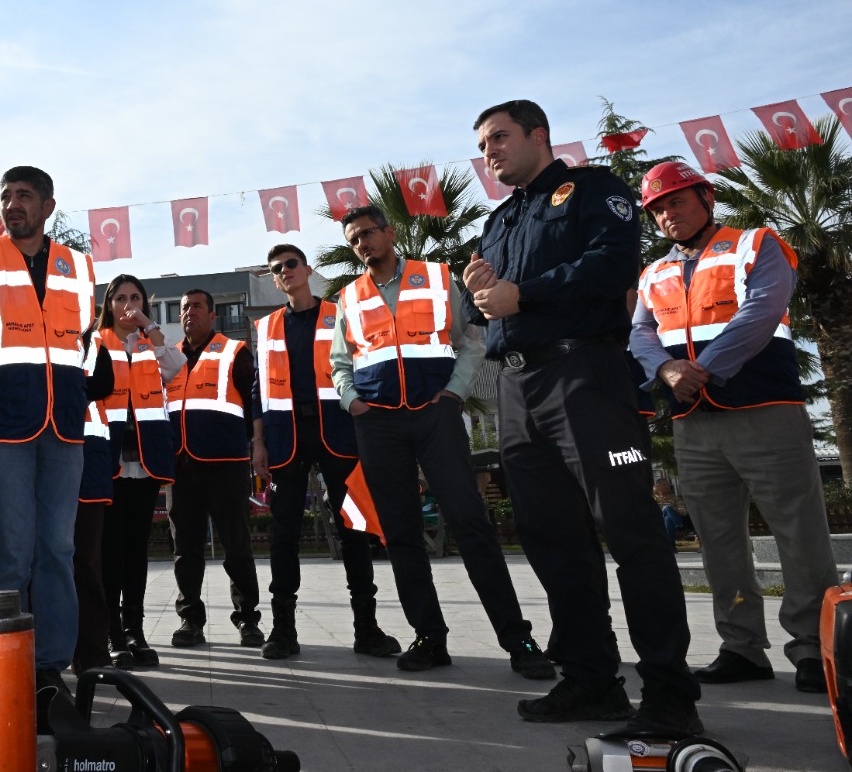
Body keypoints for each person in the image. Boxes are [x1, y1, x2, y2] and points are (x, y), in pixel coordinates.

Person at [464, 99, 700, 736]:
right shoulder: (499, 221)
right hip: (518, 387)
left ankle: (670, 695)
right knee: (552, 539)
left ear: (538, 135)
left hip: (584, 378)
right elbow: (500, 300)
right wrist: (483, 288)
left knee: (630, 532)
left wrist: (525, 293)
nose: (488, 152)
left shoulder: (594, 190)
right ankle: (590, 679)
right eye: (482, 144)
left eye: (498, 138)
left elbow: (614, 264)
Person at [632, 159, 837, 694]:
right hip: (693, 422)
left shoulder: (757, 244)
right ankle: (741, 647)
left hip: (764, 408)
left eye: (676, 201)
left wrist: (703, 370)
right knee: (719, 540)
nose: (667, 215)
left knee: (800, 532)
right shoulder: (652, 273)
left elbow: (763, 312)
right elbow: (640, 335)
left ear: (706, 199)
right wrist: (667, 369)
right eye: (656, 209)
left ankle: (815, 650)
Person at [330, 205, 553, 678]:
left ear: (390, 234)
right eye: (354, 240)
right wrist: (352, 401)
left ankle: (518, 639)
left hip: (436, 416)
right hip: (378, 424)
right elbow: (340, 363)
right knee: (401, 533)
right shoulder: (349, 296)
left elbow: (469, 340)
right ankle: (430, 638)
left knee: (470, 522)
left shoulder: (434, 277)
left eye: (368, 233)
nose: (363, 244)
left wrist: (454, 393)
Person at [0, 166, 95, 732]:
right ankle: (8, 661)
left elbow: (81, 342)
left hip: (63, 423)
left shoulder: (79, 266)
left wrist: (74, 393)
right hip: (0, 425)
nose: (13, 205)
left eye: (24, 197)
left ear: (48, 206)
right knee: (11, 551)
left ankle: (50, 665)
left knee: (57, 548)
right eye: (6, 196)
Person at [253, 244, 400, 662]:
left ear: (307, 269)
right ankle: (283, 631)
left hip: (340, 434)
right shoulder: (265, 327)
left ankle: (367, 629)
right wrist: (258, 440)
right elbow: (257, 391)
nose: (285, 271)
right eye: (277, 269)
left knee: (354, 530)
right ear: (275, 279)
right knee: (284, 537)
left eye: (291, 264)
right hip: (286, 439)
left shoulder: (340, 312)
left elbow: (364, 367)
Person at [87, 277, 178, 671]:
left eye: (135, 298)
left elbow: (176, 369)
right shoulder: (93, 339)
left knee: (136, 549)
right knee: (108, 550)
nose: (127, 304)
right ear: (108, 303)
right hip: (105, 458)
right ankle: (112, 636)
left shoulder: (149, 341)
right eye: (120, 298)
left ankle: (135, 630)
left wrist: (150, 325)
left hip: (144, 458)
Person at [165, 289, 265, 650]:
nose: (189, 312)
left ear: (212, 315)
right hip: (180, 466)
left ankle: (248, 621)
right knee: (185, 549)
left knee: (237, 546)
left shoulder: (235, 351)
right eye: (184, 307)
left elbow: (254, 402)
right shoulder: (169, 358)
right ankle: (190, 621)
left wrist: (257, 444)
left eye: (196, 306)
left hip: (226, 465)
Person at [653, 478, 688, 547]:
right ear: (657, 487)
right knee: (667, 508)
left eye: (668, 485)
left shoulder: (675, 498)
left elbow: (683, 511)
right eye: (664, 485)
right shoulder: (654, 498)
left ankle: (671, 545)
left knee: (668, 519)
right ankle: (679, 527)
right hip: (658, 519)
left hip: (671, 519)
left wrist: (672, 509)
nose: (667, 487)